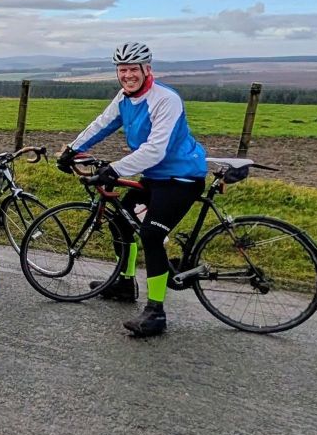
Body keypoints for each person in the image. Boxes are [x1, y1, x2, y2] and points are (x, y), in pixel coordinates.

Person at [57, 41, 207, 337]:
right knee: (121, 221)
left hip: (181, 177)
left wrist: (115, 169)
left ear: (146, 69)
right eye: (122, 70)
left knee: (151, 235)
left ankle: (156, 312)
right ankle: (124, 283)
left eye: (133, 69)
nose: (127, 75)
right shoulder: (125, 97)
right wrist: (71, 150)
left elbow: (155, 150)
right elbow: (102, 124)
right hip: (154, 176)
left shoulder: (165, 99)